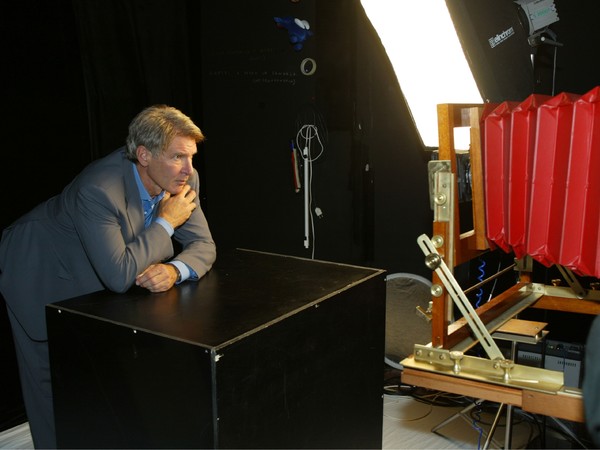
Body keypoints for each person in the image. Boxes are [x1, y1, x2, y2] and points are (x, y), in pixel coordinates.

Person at [0, 104, 217, 449]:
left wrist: (174, 270)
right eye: (178, 157)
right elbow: (119, 275)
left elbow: (204, 246)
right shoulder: (98, 188)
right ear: (144, 155)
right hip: (40, 266)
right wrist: (166, 223)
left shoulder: (181, 178)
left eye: (192, 156)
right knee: (51, 382)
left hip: (99, 273)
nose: (189, 170)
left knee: (105, 382)